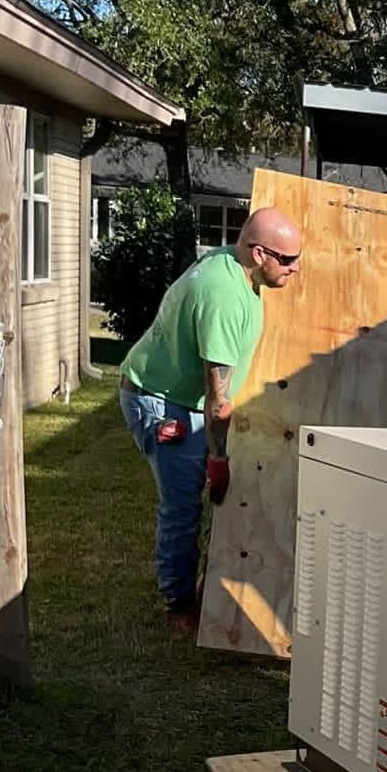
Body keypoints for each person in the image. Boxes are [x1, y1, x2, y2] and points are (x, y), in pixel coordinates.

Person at [119, 208, 304, 630]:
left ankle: (198, 586)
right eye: (288, 260)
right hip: (164, 407)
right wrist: (217, 458)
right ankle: (178, 604)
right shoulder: (223, 297)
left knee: (204, 498)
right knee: (183, 505)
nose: (296, 268)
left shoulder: (234, 265)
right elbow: (217, 399)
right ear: (259, 254)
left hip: (180, 399)